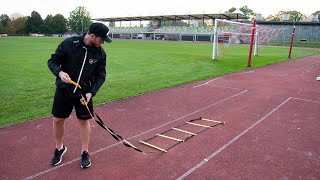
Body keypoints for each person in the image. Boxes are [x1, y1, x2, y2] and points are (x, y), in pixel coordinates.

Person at [47, 22, 112, 168]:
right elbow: (53, 61)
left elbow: (100, 76)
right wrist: (60, 72)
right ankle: (59, 148)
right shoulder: (69, 43)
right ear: (93, 36)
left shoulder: (100, 53)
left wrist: (91, 92)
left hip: (84, 94)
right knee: (58, 120)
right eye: (101, 39)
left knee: (84, 122)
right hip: (64, 90)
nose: (103, 43)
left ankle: (85, 152)